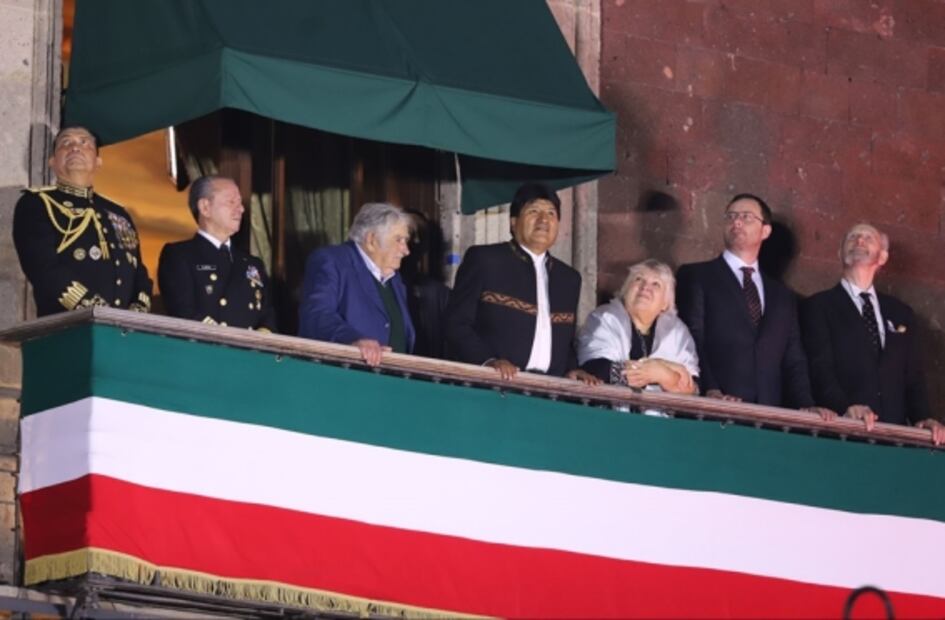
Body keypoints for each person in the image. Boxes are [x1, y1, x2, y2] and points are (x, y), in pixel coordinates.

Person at [676, 193, 832, 418]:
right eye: (731, 216)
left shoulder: (783, 296)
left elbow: (793, 357)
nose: (737, 222)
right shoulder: (698, 276)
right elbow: (692, 337)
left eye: (746, 217)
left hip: (768, 417)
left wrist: (805, 404)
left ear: (765, 231)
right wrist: (710, 389)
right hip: (715, 411)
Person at [801, 223, 944, 444]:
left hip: (894, 438)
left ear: (883, 257)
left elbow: (913, 377)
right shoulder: (819, 306)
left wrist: (923, 418)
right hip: (841, 433)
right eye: (852, 237)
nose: (859, 241)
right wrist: (844, 408)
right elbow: (820, 368)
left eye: (868, 238)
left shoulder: (901, 313)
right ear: (839, 253)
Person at [445, 182, 598, 384]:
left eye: (551, 213)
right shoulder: (485, 260)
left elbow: (563, 343)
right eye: (533, 211)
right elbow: (456, 324)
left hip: (549, 393)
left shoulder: (569, 279)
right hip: (493, 387)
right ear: (513, 222)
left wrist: (572, 369)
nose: (544, 219)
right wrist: (488, 362)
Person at [12, 126, 152, 315]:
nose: (75, 147)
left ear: (98, 161)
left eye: (84, 142)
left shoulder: (118, 212)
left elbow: (138, 271)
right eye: (66, 143)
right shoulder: (36, 203)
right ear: (52, 162)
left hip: (122, 331)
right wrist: (92, 308)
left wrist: (137, 311)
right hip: (68, 326)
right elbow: (42, 267)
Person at [298, 202, 415, 366]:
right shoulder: (332, 262)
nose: (406, 250)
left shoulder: (395, 280)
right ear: (372, 240)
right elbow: (316, 314)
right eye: (398, 240)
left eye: (405, 240)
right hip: (344, 382)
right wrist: (354, 340)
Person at [158, 175, 276, 331]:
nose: (240, 209)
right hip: (208, 350)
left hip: (249, 353)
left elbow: (267, 316)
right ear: (205, 207)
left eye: (240, 202)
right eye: (231, 202)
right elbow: (184, 314)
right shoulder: (180, 256)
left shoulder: (252, 263)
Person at [578, 259, 698, 394]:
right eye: (639, 279)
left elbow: (691, 388)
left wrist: (663, 373)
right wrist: (663, 370)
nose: (645, 287)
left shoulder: (677, 332)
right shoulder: (605, 317)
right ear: (626, 291)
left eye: (656, 284)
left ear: (665, 303)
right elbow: (595, 369)